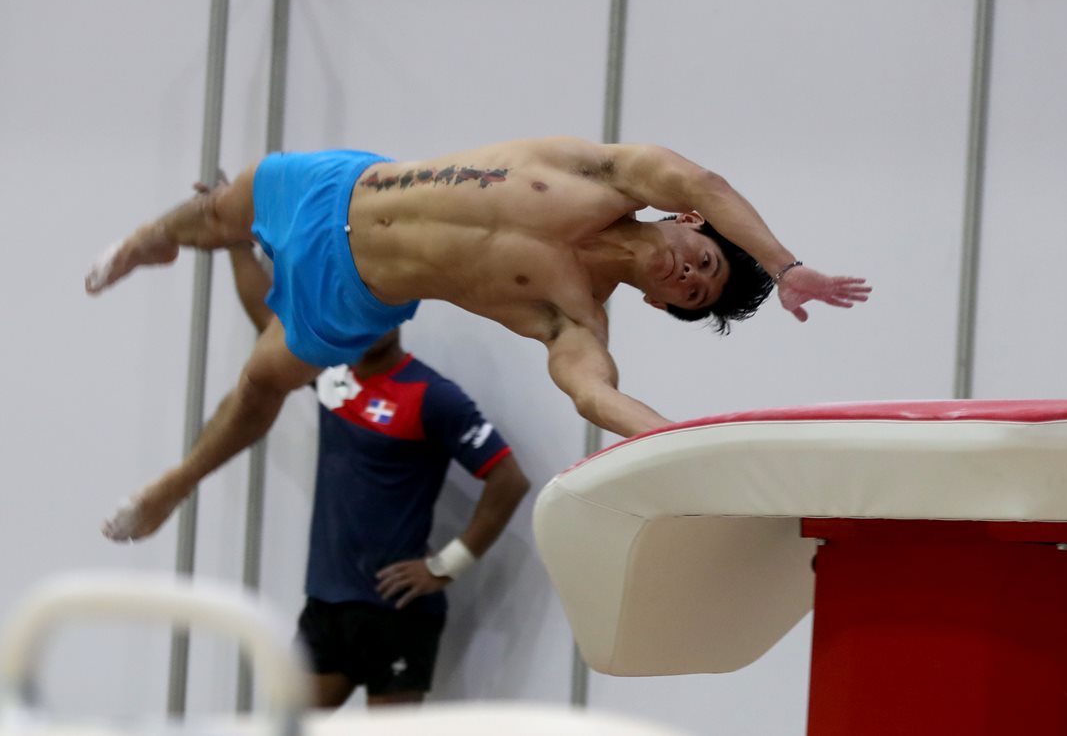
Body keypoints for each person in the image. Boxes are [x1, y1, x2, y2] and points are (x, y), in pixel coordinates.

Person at [87, 137, 870, 540]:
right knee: (225, 204)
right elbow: (706, 181)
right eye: (700, 258)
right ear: (686, 223)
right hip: (346, 186)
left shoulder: (573, 318)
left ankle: (172, 486)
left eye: (691, 290)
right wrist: (783, 263)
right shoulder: (601, 172)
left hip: (354, 292)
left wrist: (694, 453)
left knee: (262, 383)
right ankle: (154, 238)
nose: (685, 270)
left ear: (665, 306)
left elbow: (597, 396)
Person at [227, 235, 529, 707]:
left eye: (380, 307)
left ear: (401, 312)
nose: (368, 318)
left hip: (398, 614)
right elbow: (269, 323)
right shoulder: (334, 377)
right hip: (326, 608)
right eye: (358, 307)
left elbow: (509, 479)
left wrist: (445, 567)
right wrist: (236, 248)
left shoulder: (431, 394)